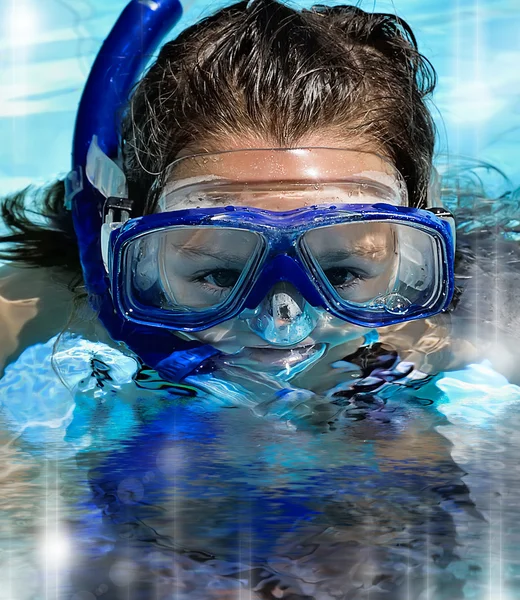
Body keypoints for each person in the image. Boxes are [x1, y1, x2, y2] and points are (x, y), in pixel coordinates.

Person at [0, 0, 515, 393]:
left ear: (411, 245)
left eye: (342, 273)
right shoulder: (46, 303)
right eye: (219, 274)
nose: (282, 324)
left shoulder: (468, 313)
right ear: (123, 243)